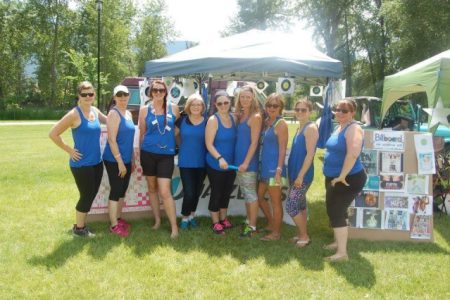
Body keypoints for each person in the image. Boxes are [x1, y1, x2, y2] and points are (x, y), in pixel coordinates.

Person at [49, 81, 106, 237]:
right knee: (86, 196)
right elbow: (53, 134)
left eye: (91, 94)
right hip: (81, 164)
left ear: (94, 95)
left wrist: (125, 116)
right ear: (78, 96)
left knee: (91, 194)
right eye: (84, 94)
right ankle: (79, 229)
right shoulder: (74, 114)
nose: (88, 97)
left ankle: (81, 224)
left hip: (97, 162)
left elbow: (108, 120)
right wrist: (69, 150)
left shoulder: (95, 110)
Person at [323, 98, 367, 262]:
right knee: (335, 210)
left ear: (352, 113)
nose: (339, 113)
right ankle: (337, 242)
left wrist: (342, 175)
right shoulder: (339, 127)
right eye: (337, 109)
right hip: (335, 177)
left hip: (347, 178)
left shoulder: (354, 128)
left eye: (344, 110)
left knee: (335, 211)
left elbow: (353, 153)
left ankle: (342, 253)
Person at [138, 80, 180, 238]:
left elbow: (177, 129)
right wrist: (137, 154)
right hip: (147, 153)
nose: (158, 93)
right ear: (151, 92)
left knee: (164, 191)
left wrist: (170, 139)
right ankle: (157, 220)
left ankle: (174, 227)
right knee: (152, 188)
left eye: (161, 90)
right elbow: (142, 133)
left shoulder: (174, 108)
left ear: (165, 92)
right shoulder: (144, 110)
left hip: (166, 156)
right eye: (155, 90)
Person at [102, 85, 135, 237]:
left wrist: (131, 159)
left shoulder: (127, 113)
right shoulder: (114, 114)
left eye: (125, 95)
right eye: (119, 95)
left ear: (129, 96)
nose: (122, 98)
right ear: (114, 97)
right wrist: (120, 162)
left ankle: (119, 219)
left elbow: (129, 139)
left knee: (122, 190)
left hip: (126, 159)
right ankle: (114, 225)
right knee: (116, 191)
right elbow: (111, 140)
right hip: (114, 160)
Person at [286, 99, 318, 248]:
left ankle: (304, 236)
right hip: (294, 173)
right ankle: (302, 233)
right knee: (300, 206)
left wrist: (300, 176)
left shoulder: (310, 128)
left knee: (291, 206)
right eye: (297, 109)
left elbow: (310, 155)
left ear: (310, 112)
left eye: (303, 110)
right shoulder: (300, 128)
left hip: (302, 175)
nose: (299, 112)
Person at [205, 90, 237, 235]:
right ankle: (215, 222)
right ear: (215, 105)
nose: (223, 105)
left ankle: (224, 219)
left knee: (226, 193)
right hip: (216, 164)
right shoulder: (213, 120)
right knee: (217, 193)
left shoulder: (233, 118)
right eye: (220, 103)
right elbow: (209, 144)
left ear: (230, 102)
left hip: (230, 165)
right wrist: (219, 158)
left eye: (226, 102)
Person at [258, 93, 288, 241]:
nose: (271, 108)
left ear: (280, 107)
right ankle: (271, 223)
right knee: (258, 197)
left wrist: (279, 170)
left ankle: (276, 233)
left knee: (275, 201)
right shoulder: (266, 121)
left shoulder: (280, 123)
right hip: (264, 168)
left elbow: (283, 149)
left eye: (275, 106)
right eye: (269, 105)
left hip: (274, 170)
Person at [175, 93, 207, 230]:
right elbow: (174, 135)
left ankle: (192, 216)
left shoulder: (208, 121)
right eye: (193, 104)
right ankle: (184, 217)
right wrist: (180, 146)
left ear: (202, 107)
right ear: (188, 106)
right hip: (186, 162)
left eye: (198, 104)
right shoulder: (181, 120)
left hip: (202, 161)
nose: (196, 107)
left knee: (196, 191)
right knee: (189, 192)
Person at [234, 85, 262, 238]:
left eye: (248, 97)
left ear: (253, 99)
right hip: (239, 161)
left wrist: (246, 162)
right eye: (242, 97)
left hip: (247, 163)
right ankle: (248, 220)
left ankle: (252, 226)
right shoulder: (242, 115)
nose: (245, 99)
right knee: (246, 193)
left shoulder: (255, 117)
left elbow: (254, 143)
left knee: (251, 195)